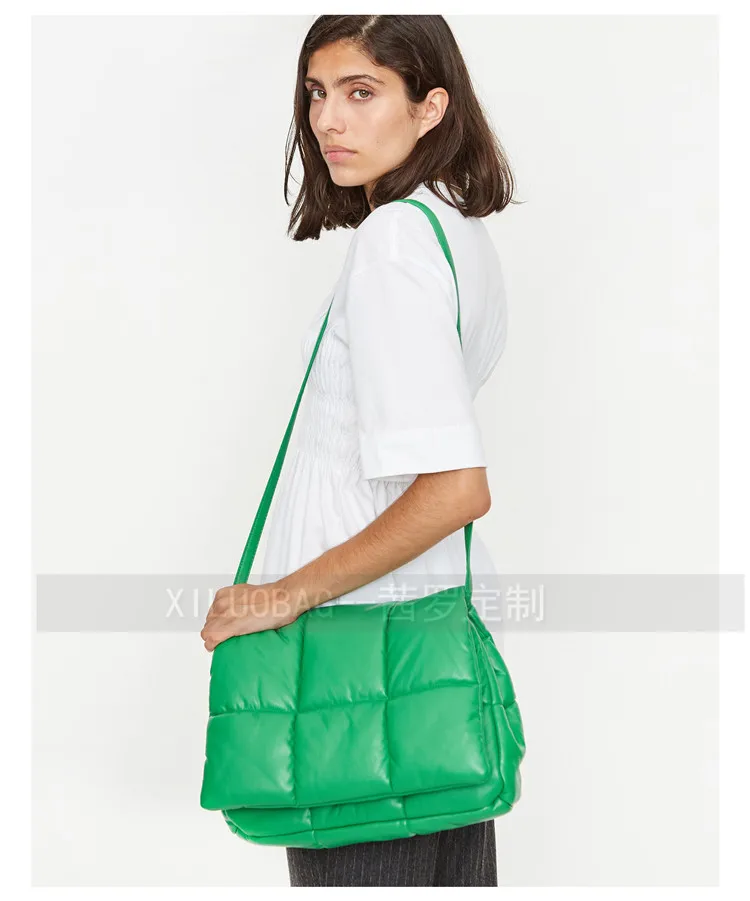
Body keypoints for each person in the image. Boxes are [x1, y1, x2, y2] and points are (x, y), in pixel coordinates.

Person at [201, 14, 519, 888]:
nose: (327, 120)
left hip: (360, 661)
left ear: (430, 107)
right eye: (316, 93)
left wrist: (279, 596)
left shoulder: (396, 240)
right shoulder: (456, 233)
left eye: (361, 91)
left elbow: (454, 488)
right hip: (421, 644)